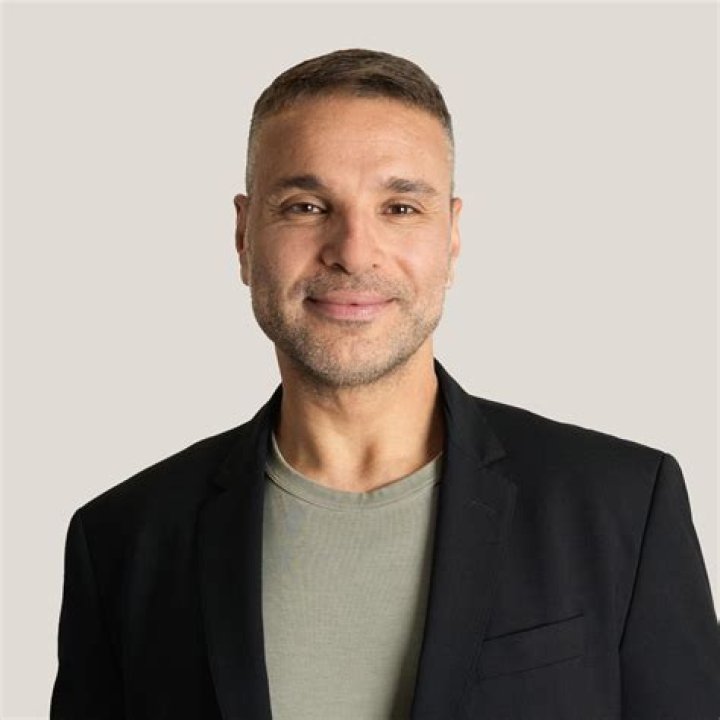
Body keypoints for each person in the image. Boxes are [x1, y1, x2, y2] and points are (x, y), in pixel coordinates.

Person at [50, 48, 720, 720]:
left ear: (451, 237)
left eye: (399, 208)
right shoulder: (123, 542)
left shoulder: (623, 509)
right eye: (306, 206)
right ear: (244, 237)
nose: (353, 251)